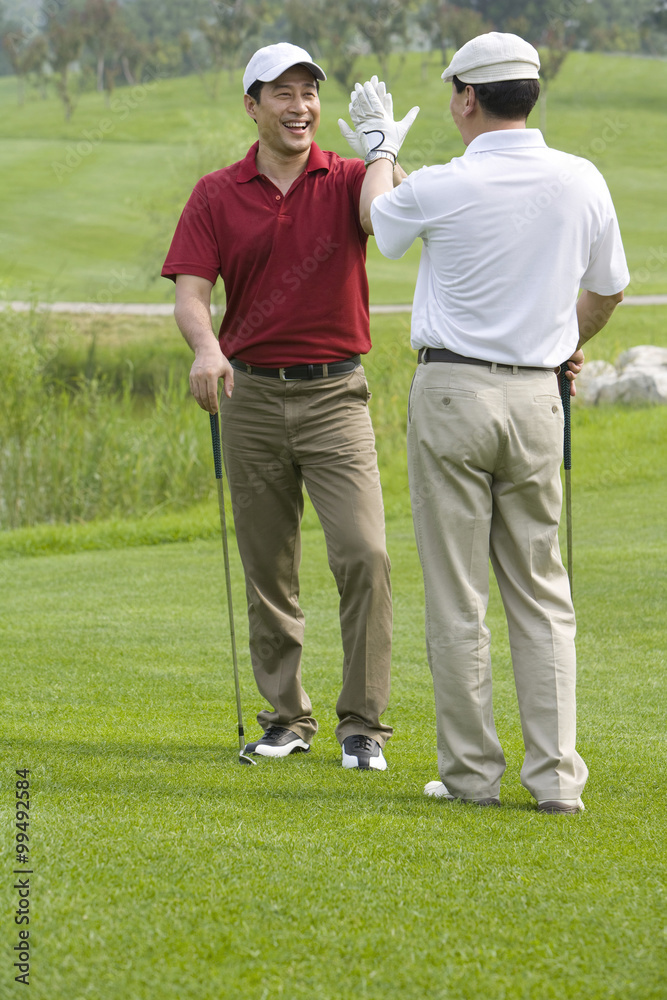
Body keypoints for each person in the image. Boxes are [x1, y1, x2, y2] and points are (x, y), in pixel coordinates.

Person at [339, 32, 629, 809]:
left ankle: (470, 776)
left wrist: (375, 147)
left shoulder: (442, 182)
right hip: (539, 398)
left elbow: (379, 219)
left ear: (468, 97)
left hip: (453, 396)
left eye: (450, 93)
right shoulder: (582, 178)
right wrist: (567, 345)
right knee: (540, 590)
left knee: (457, 592)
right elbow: (607, 290)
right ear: (530, 92)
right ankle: (556, 780)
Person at [162, 43, 414, 770]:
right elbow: (190, 292)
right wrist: (206, 348)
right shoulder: (216, 192)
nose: (300, 106)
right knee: (268, 564)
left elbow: (387, 220)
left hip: (336, 392)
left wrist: (383, 152)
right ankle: (285, 719)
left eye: (308, 92)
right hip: (249, 394)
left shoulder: (347, 178)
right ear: (252, 105)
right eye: (283, 93)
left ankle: (362, 724)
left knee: (364, 554)